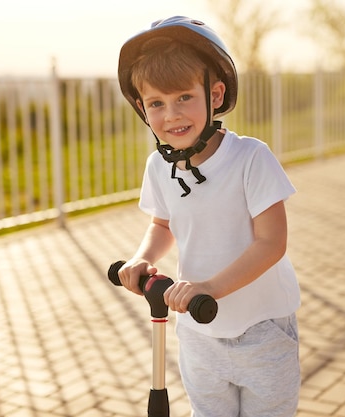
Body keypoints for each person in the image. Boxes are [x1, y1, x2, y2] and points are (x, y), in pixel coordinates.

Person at [116, 16, 301, 417]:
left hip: (261, 331)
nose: (171, 115)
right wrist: (142, 258)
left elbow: (272, 242)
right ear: (142, 109)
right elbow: (162, 224)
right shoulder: (158, 167)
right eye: (156, 104)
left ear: (215, 95)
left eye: (184, 97)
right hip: (199, 331)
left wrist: (212, 286)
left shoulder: (251, 158)